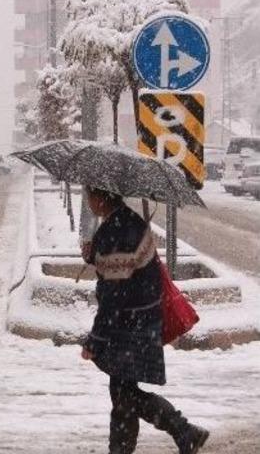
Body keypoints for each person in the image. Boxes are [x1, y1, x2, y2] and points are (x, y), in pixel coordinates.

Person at [80, 186, 209, 454]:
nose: (88, 201)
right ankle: (183, 434)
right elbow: (126, 272)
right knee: (123, 392)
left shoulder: (115, 232)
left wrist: (96, 339)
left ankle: (183, 431)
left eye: (90, 195)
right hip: (142, 321)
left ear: (102, 198)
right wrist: (95, 256)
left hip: (129, 326)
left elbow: (114, 294)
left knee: (124, 393)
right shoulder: (128, 221)